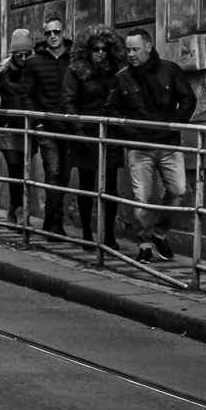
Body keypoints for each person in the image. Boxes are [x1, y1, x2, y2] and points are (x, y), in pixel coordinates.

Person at [112, 28, 197, 263]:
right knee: (142, 198)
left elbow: (188, 99)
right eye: (127, 50)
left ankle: (159, 234)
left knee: (178, 190)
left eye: (135, 49)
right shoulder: (122, 78)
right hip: (140, 147)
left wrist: (175, 125)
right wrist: (129, 132)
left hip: (169, 144)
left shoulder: (170, 71)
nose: (130, 54)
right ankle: (145, 242)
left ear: (148, 48)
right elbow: (112, 109)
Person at [64, 26, 126, 248]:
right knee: (87, 184)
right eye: (96, 49)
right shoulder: (76, 71)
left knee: (110, 186)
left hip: (110, 134)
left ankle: (108, 235)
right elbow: (68, 100)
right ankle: (87, 234)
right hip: (86, 135)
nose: (100, 53)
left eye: (104, 49)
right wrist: (78, 128)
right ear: (87, 50)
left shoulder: (117, 72)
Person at [0, 30, 37, 225]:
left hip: (29, 126)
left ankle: (14, 206)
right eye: (19, 55)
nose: (23, 59)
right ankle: (20, 211)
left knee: (25, 171)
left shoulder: (36, 70)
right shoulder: (0, 72)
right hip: (8, 127)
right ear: (12, 54)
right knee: (15, 166)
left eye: (27, 54)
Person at [26, 16, 77, 237]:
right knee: (53, 170)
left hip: (69, 125)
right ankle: (55, 221)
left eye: (56, 32)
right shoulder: (34, 61)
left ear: (64, 32)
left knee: (64, 174)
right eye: (48, 33)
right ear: (43, 35)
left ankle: (50, 218)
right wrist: (36, 122)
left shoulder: (76, 59)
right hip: (45, 125)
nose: (53, 36)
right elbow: (27, 94)